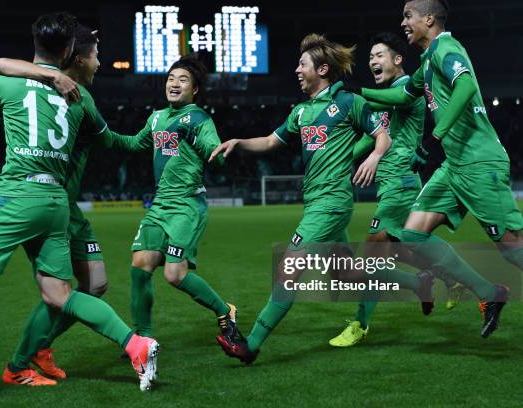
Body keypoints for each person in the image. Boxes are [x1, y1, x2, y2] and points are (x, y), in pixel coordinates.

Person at [0, 14, 158, 406]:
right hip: (55, 204)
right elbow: (112, 140)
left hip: (17, 194)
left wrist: (50, 70)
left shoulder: (7, 83)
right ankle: (135, 344)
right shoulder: (80, 100)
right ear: (70, 53)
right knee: (60, 294)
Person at [210, 33, 403, 364]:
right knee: (346, 274)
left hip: (332, 203)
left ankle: (250, 345)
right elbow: (271, 141)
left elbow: (381, 137)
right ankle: (418, 280)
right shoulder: (300, 112)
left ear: (323, 69)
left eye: (303, 65)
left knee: (289, 268)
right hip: (316, 203)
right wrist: (239, 141)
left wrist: (373, 157)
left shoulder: (349, 102)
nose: (297, 70)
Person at [359, 0, 522, 338]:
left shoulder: (446, 48)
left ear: (428, 19)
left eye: (408, 16)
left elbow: (465, 86)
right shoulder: (426, 62)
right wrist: (354, 98)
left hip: (479, 162)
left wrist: (441, 128)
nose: (403, 23)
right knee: (413, 234)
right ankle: (491, 294)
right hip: (454, 166)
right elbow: (404, 96)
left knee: (511, 248)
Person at [0, 25, 119, 381]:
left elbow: (112, 141)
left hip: (69, 209)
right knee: (62, 290)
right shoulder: (54, 92)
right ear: (77, 57)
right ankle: (24, 358)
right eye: (95, 55)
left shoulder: (81, 97)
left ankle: (39, 347)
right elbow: (1, 64)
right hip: (50, 204)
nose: (99, 62)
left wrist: (155, 135)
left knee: (95, 285)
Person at [329, 32, 464, 348]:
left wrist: (353, 95)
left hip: (400, 186)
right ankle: (438, 279)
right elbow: (373, 136)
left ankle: (361, 324)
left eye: (379, 55)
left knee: (368, 261)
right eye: (371, 57)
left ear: (398, 59)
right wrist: (340, 162)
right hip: (391, 186)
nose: (373, 61)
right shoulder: (386, 96)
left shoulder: (406, 89)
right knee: (394, 253)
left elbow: (390, 104)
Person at [110, 54, 242, 347]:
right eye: (171, 78)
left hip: (186, 206)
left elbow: (214, 153)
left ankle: (225, 311)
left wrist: (210, 148)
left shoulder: (199, 118)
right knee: (140, 265)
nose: (174, 83)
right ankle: (142, 338)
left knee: (174, 274)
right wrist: (101, 133)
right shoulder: (156, 117)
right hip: (160, 206)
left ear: (194, 89)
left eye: (183, 80)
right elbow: (134, 143)